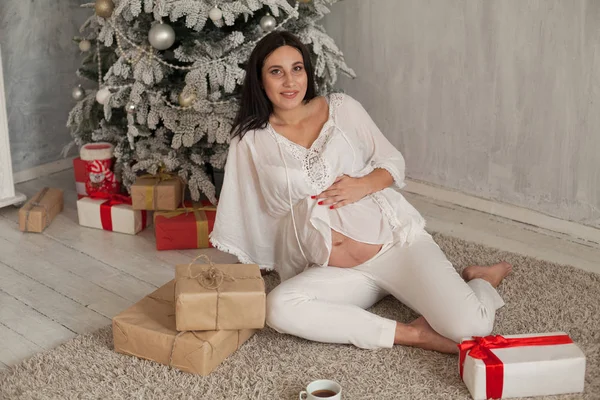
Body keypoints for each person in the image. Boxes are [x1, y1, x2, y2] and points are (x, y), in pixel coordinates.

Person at [209, 31, 512, 353]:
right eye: (276, 71)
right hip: (337, 270)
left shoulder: (342, 109)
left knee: (473, 327)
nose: (289, 81)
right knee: (280, 307)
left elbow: (392, 161)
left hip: (393, 246)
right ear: (260, 79)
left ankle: (481, 279)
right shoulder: (251, 140)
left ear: (308, 72)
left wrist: (363, 184)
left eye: (297, 68)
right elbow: (244, 210)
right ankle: (413, 334)